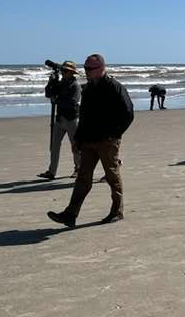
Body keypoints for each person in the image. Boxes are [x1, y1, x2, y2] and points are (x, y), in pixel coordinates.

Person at [47, 54, 134, 227]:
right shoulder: (87, 89)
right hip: (88, 140)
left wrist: (114, 135)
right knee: (82, 177)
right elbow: (84, 116)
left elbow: (128, 113)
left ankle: (117, 211)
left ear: (101, 68)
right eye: (85, 68)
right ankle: (70, 214)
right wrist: (77, 140)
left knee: (112, 176)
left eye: (90, 68)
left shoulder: (114, 87)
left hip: (107, 141)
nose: (86, 71)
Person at [39, 60, 82, 180]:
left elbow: (72, 102)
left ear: (72, 72)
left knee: (75, 147)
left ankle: (78, 168)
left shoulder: (75, 86)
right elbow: (48, 94)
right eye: (63, 70)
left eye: (66, 71)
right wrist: (51, 82)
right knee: (54, 146)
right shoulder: (61, 83)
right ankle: (51, 171)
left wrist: (57, 100)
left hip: (72, 119)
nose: (63, 73)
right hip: (60, 119)